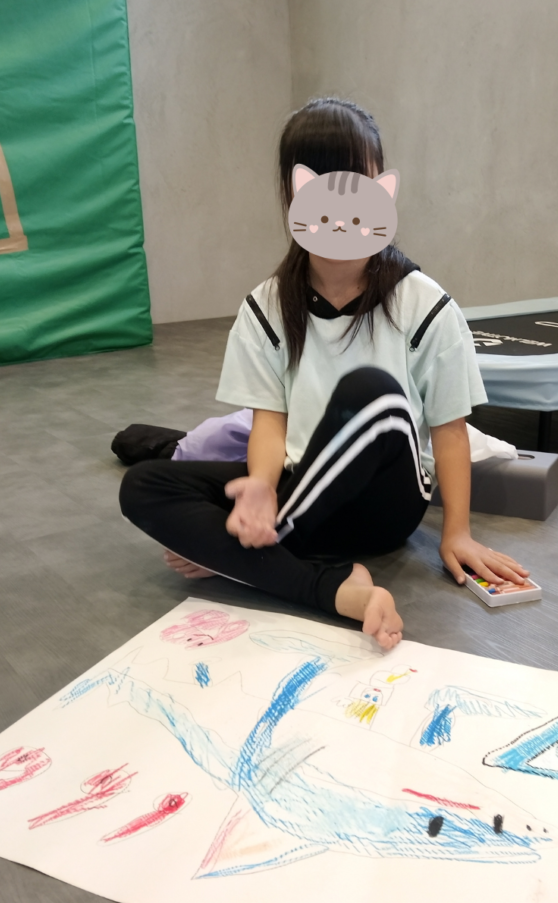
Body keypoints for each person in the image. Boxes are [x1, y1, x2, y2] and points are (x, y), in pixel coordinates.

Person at [119, 97, 529, 650]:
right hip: (304, 490)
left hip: (385, 504)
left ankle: (246, 551)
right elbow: (269, 422)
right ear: (293, 193)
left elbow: (449, 429)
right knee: (144, 485)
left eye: (355, 180)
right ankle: (331, 589)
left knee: (373, 393)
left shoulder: (423, 302)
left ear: (380, 189)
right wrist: (261, 487)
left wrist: (456, 532)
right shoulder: (266, 306)